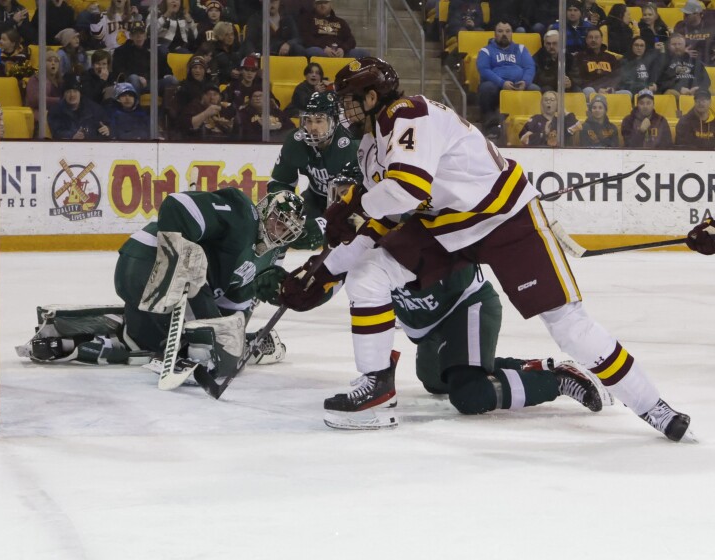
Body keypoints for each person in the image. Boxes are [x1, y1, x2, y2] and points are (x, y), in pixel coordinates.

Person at [279, 57, 692, 441]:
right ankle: (376, 389)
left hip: (503, 218)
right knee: (369, 274)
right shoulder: (371, 148)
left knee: (568, 324)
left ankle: (653, 406)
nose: (344, 111)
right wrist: (326, 272)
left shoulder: (409, 114)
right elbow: (379, 222)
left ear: (372, 98)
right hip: (445, 226)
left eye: (350, 101)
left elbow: (407, 188)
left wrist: (354, 204)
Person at [261, 166, 613, 428]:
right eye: (336, 195)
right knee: (436, 381)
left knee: (469, 394)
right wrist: (297, 291)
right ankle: (531, 367)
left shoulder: (408, 223)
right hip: (425, 329)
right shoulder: (348, 243)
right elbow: (328, 283)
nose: (341, 204)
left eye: (348, 195)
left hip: (467, 307)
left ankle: (559, 380)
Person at [21, 188, 306, 381]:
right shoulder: (242, 214)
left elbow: (231, 314)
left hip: (153, 290)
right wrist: (178, 254)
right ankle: (197, 346)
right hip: (146, 263)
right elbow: (176, 205)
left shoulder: (267, 260)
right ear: (264, 209)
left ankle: (65, 335)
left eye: (286, 231)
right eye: (276, 222)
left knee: (144, 343)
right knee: (205, 335)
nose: (277, 233)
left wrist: (237, 331)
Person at [267, 90, 357, 250]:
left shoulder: (350, 145)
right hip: (315, 198)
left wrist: (324, 223)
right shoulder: (296, 142)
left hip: (349, 206)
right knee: (279, 229)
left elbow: (359, 196)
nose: (312, 127)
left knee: (342, 244)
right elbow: (280, 182)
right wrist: (287, 210)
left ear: (334, 121)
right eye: (308, 120)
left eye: (319, 120)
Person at [476, 20, 540, 130]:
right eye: (500, 31)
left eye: (507, 31)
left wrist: (525, 81)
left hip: (519, 85)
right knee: (487, 88)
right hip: (496, 86)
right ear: (495, 34)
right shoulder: (486, 50)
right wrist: (502, 83)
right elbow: (484, 69)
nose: (504, 34)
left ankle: (534, 125)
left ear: (512, 34)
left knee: (535, 89)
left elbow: (529, 67)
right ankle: (490, 124)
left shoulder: (521, 49)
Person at [113, 19, 178, 96]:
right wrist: (138, 77)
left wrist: (168, 75)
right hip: (133, 84)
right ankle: (135, 107)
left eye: (141, 33)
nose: (139, 36)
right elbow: (119, 71)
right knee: (134, 78)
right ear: (130, 36)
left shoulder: (154, 49)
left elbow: (165, 68)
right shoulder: (121, 51)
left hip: (153, 83)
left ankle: (167, 108)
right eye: (135, 33)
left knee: (172, 80)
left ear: (145, 35)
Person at [48, 72, 112, 140]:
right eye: (68, 92)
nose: (72, 95)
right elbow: (56, 132)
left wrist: (108, 129)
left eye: (75, 91)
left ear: (80, 94)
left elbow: (109, 125)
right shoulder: (56, 111)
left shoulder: (94, 109)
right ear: (64, 95)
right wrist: (72, 136)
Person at [298, 0, 369, 58]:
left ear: (331, 4)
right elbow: (306, 38)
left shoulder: (341, 22)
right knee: (313, 51)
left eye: (325, 2)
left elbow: (351, 40)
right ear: (315, 5)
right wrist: (324, 48)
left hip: (340, 52)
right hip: (321, 50)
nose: (322, 5)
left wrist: (343, 49)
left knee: (363, 53)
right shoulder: (308, 20)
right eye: (319, 3)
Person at [573, 27, 628, 98]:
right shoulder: (579, 57)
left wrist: (611, 88)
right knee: (588, 91)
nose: (593, 40)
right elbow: (579, 80)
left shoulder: (611, 57)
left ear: (602, 39)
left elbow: (617, 76)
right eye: (590, 37)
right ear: (586, 40)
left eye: (596, 37)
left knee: (627, 93)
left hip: (609, 90)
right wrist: (597, 89)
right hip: (591, 90)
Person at [658, 33, 711, 99]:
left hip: (695, 92)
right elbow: (661, 82)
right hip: (674, 93)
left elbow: (706, 80)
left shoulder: (695, 61)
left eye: (680, 44)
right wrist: (678, 89)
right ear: (668, 46)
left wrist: (698, 88)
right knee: (671, 93)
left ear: (685, 45)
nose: (677, 47)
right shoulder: (663, 62)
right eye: (674, 44)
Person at [25, 49, 64, 131]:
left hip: (59, 115)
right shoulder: (35, 79)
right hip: (40, 116)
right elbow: (35, 100)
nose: (53, 63)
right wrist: (60, 101)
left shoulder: (62, 81)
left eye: (56, 61)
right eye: (49, 61)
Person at [673, 0, 715, 65]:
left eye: (687, 14)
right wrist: (682, 51)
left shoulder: (711, 26)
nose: (684, 16)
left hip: (709, 62)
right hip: (686, 62)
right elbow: (671, 45)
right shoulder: (680, 26)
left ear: (697, 14)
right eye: (684, 13)